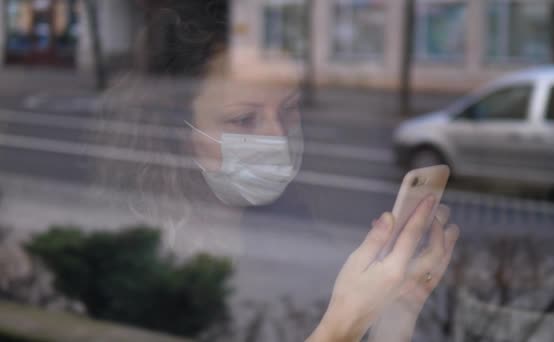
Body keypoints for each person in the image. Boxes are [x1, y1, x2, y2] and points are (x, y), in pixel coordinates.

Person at [97, 2, 460, 341]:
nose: (277, 136)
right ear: (179, 133)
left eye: (288, 110)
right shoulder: (134, 261)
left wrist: (398, 312)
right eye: (243, 119)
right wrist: (341, 326)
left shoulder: (292, 228)